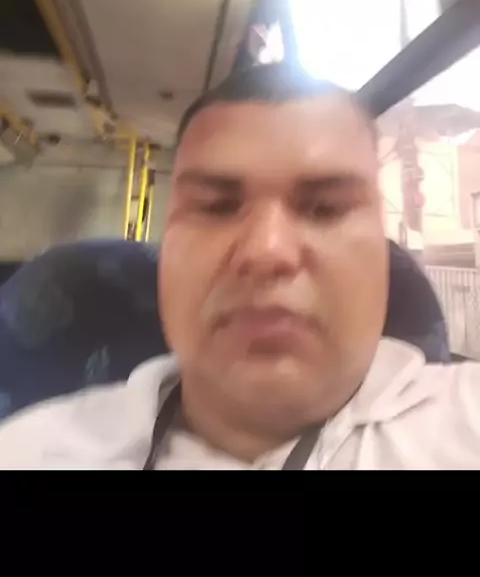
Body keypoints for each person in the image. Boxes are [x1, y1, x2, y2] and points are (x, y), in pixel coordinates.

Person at [0, 62, 478, 470]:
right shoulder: (30, 450)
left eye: (325, 209)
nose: (266, 251)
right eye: (216, 207)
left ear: (382, 248)